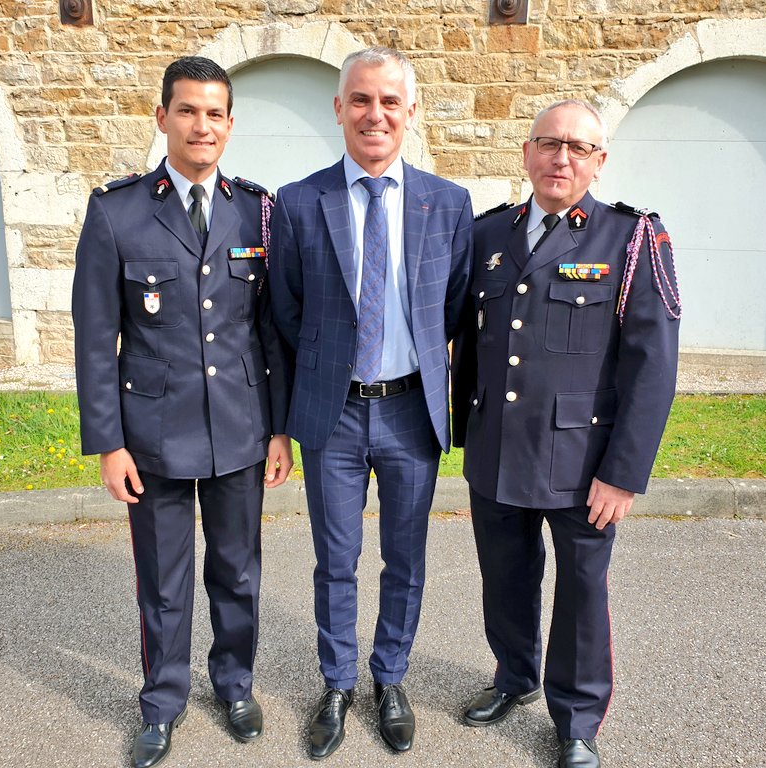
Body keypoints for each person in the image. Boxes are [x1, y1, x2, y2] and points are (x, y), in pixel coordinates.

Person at [71, 56, 292, 768]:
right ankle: (161, 702)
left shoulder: (259, 210)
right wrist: (108, 443)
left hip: (239, 430)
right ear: (162, 116)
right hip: (153, 435)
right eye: (189, 111)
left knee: (237, 572)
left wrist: (280, 427)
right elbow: (95, 338)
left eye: (216, 113)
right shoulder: (116, 211)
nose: (203, 125)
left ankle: (233, 685)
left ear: (230, 125)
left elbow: (272, 331)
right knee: (163, 582)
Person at [451, 99, 681, 768]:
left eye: (579, 148)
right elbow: (472, 336)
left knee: (581, 593)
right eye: (549, 144)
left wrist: (624, 470)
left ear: (599, 163)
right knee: (505, 578)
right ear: (526, 153)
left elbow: (653, 364)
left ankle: (577, 718)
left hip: (583, 463)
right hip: (497, 447)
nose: (561, 158)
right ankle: (515, 677)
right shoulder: (489, 234)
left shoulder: (631, 238)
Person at [268, 46, 473, 759]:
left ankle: (390, 677)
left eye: (389, 101)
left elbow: (449, 312)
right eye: (360, 99)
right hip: (334, 414)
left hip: (411, 414)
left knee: (406, 559)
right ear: (338, 109)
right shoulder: (297, 202)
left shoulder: (447, 204)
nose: (374, 114)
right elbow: (285, 318)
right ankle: (337, 682)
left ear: (411, 111)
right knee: (336, 558)